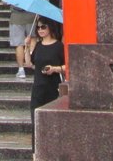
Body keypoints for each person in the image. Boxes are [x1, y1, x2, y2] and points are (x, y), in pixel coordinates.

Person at [24, 17, 66, 149]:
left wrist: (54, 69)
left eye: (43, 27)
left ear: (50, 28)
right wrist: (26, 47)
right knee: (35, 123)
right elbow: (30, 64)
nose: (40, 30)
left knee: (52, 122)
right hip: (38, 89)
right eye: (38, 27)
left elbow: (67, 67)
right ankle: (36, 153)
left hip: (53, 89)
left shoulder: (59, 46)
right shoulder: (38, 45)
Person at [3, 0, 38, 79]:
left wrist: (13, 1)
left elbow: (4, 0)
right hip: (30, 15)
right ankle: (31, 60)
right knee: (32, 38)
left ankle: (21, 69)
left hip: (16, 17)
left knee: (19, 44)